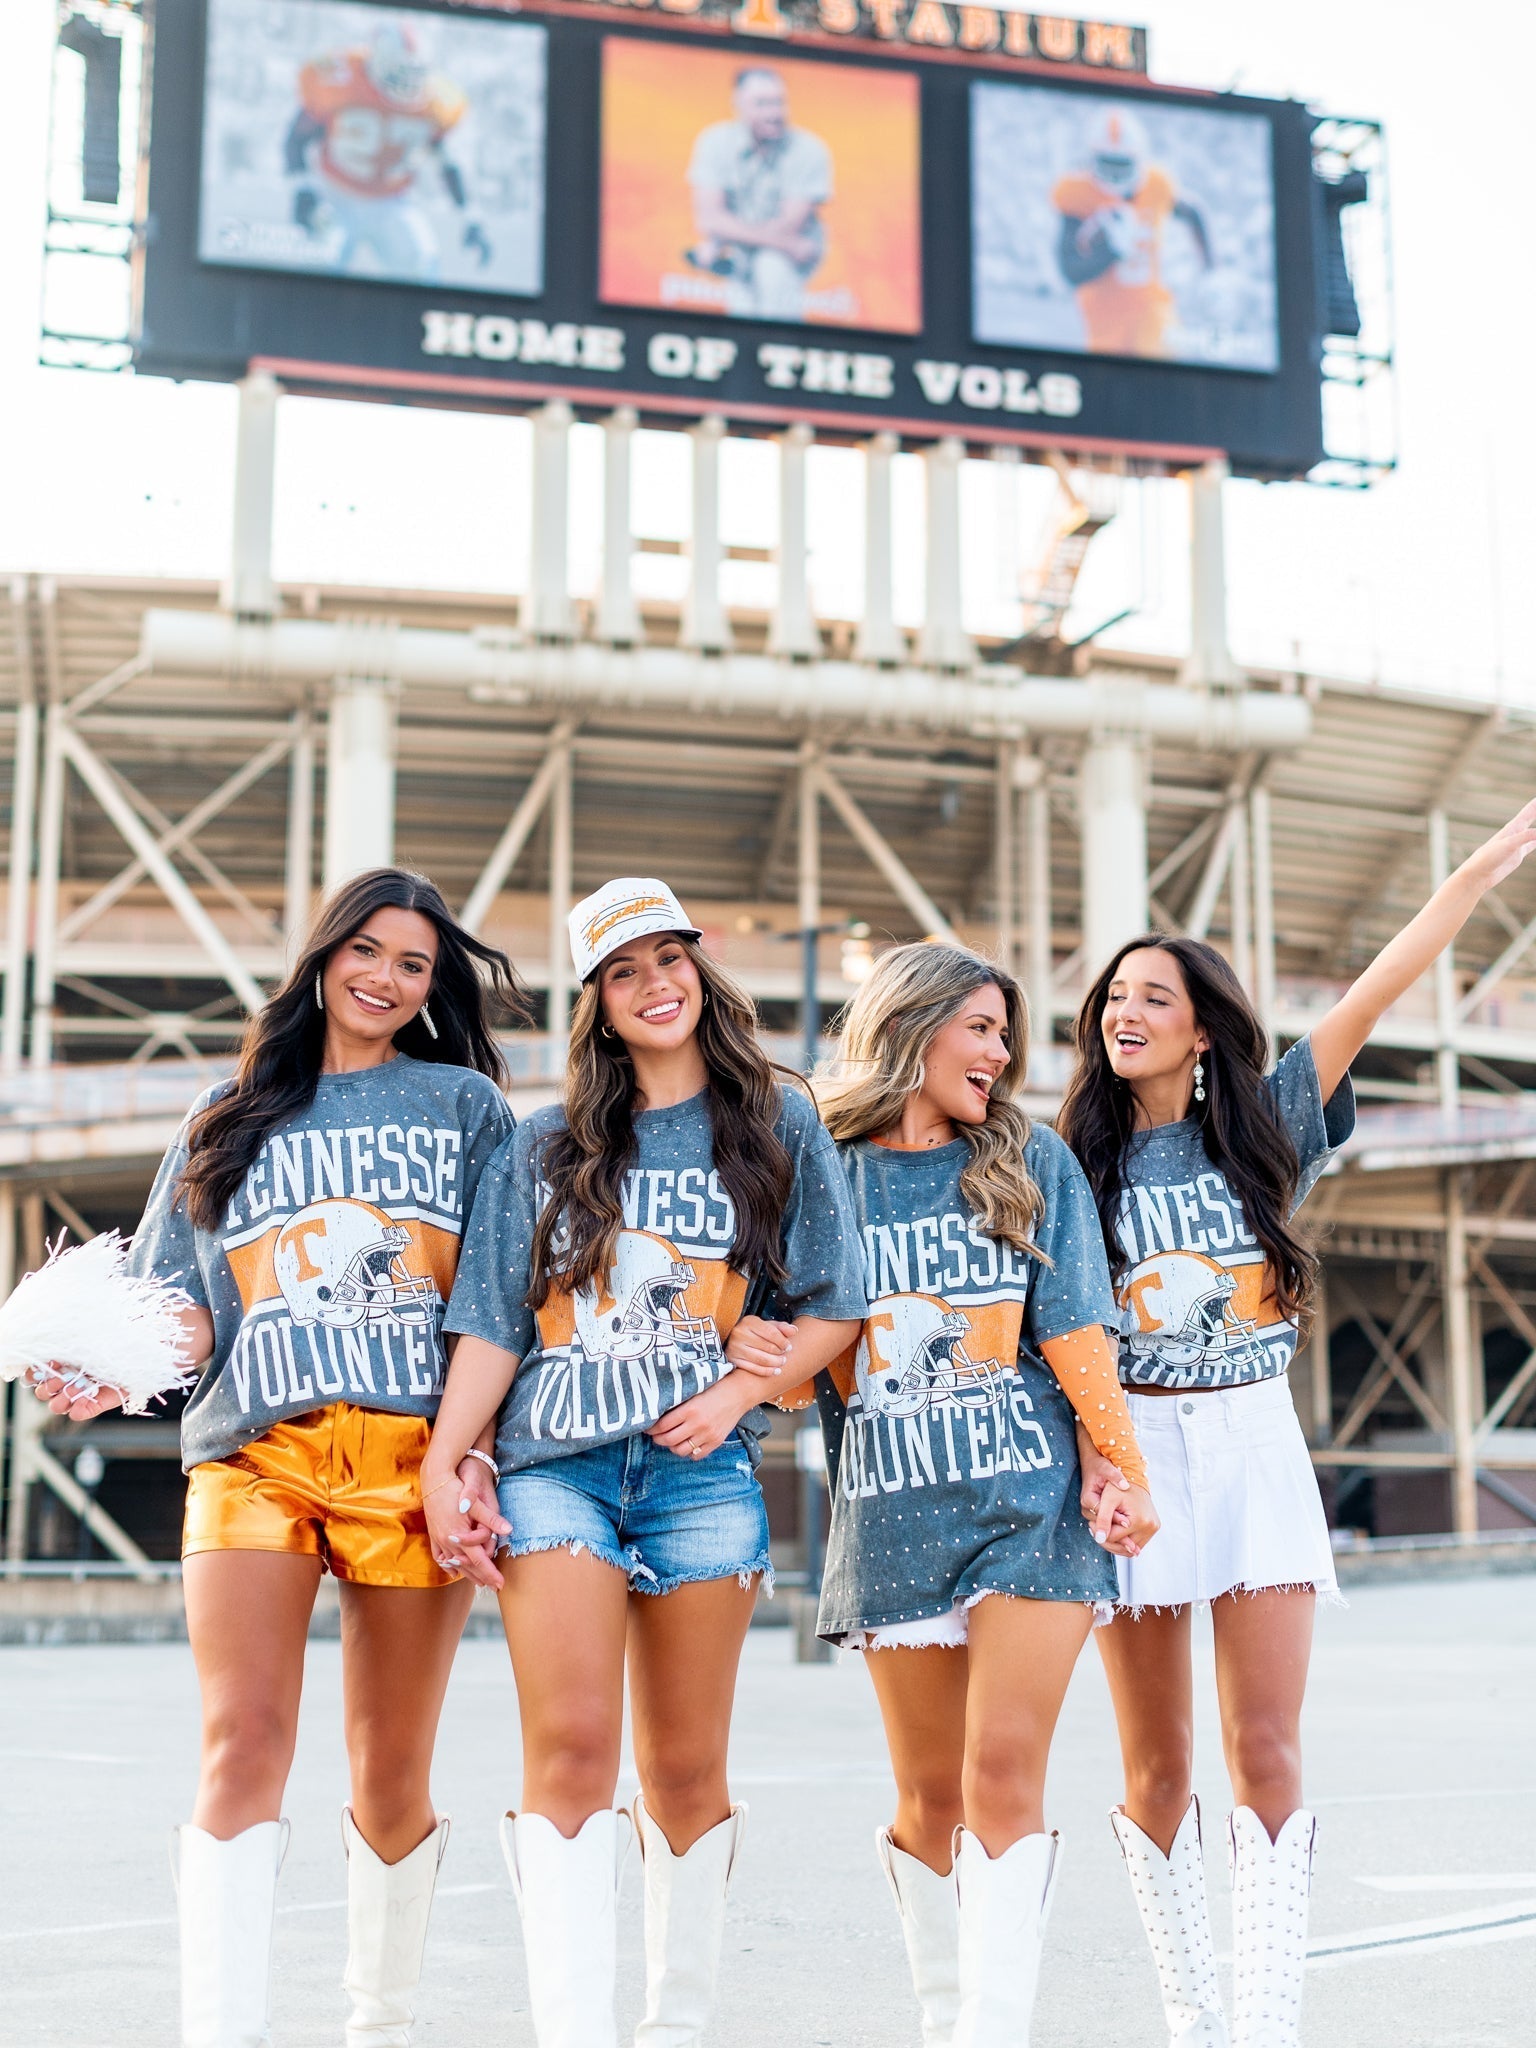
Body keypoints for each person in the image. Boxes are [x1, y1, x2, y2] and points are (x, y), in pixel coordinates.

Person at [1055, 795, 1536, 2048]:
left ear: (1204, 1026)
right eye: (1114, 996)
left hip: (1255, 1439)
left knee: (1263, 1744)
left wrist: (1478, 873)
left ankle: (1266, 2023)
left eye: (1155, 996)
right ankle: (1191, 2017)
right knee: (1156, 1766)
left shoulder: (1268, 1123)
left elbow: (1381, 984)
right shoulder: (1072, 1167)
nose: (1127, 1012)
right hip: (1136, 1451)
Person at [28, 867, 527, 2048]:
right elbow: (191, 1308)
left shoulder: (466, 1109)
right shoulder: (230, 1108)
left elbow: (496, 1300)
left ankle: (380, 2023)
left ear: (430, 985)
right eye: (366, 950)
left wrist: (470, 1456)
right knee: (241, 1737)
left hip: (413, 1454)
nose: (387, 978)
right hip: (252, 1456)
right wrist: (110, 1371)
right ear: (321, 956)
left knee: (390, 1767)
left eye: (413, 964)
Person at [420, 877, 865, 2048]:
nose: (654, 983)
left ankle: (678, 2026)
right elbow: (494, 1322)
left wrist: (737, 1391)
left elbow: (836, 1307)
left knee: (682, 1766)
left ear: (699, 972)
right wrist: (444, 1460)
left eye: (670, 958)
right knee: (569, 1746)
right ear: (599, 1004)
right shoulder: (546, 1144)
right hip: (553, 1465)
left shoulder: (780, 1121)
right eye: (625, 970)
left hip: (699, 1475)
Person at [774, 940, 1156, 2048]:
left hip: (1026, 1503)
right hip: (889, 1509)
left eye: (1004, 1031)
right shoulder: (823, 1170)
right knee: (929, 1797)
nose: (997, 1051)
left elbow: (1077, 1324)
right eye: (979, 1026)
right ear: (909, 1022)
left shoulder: (1030, 1157)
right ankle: (943, 2016)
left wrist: (1117, 1464)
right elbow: (796, 1349)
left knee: (1001, 1767)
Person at [1054, 104, 1210, 357]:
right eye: (1108, 163)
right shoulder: (1077, 195)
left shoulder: (1157, 185)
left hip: (1151, 307)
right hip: (1104, 320)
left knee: (1160, 359)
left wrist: (1210, 268)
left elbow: (1194, 212)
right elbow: (1070, 270)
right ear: (1092, 159)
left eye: (1122, 164)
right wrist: (1111, 252)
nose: (1115, 175)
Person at [685, 67, 832, 319]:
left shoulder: (809, 149)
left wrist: (723, 239)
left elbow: (790, 225)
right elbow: (709, 219)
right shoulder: (714, 142)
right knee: (741, 304)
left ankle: (783, 350)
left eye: (779, 103)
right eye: (762, 104)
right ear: (738, 105)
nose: (774, 113)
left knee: (771, 267)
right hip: (748, 252)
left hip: (782, 257)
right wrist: (787, 244)